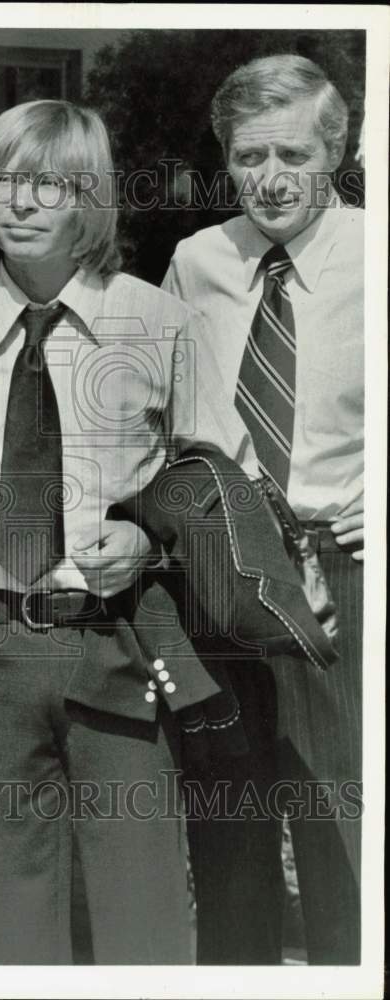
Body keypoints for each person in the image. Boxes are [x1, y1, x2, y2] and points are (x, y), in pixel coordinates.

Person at [0, 99, 260, 965]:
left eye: (49, 182)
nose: (20, 200)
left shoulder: (156, 324)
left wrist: (150, 541)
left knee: (143, 911)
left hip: (116, 646)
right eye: (2, 179)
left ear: (90, 199)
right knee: (17, 911)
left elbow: (225, 486)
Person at [161, 54, 363, 964]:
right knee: (230, 828)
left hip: (347, 574)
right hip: (225, 572)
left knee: (346, 836)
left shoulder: (377, 255)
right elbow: (160, 421)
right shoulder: (196, 262)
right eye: (248, 157)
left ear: (336, 149)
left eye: (291, 154)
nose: (269, 179)